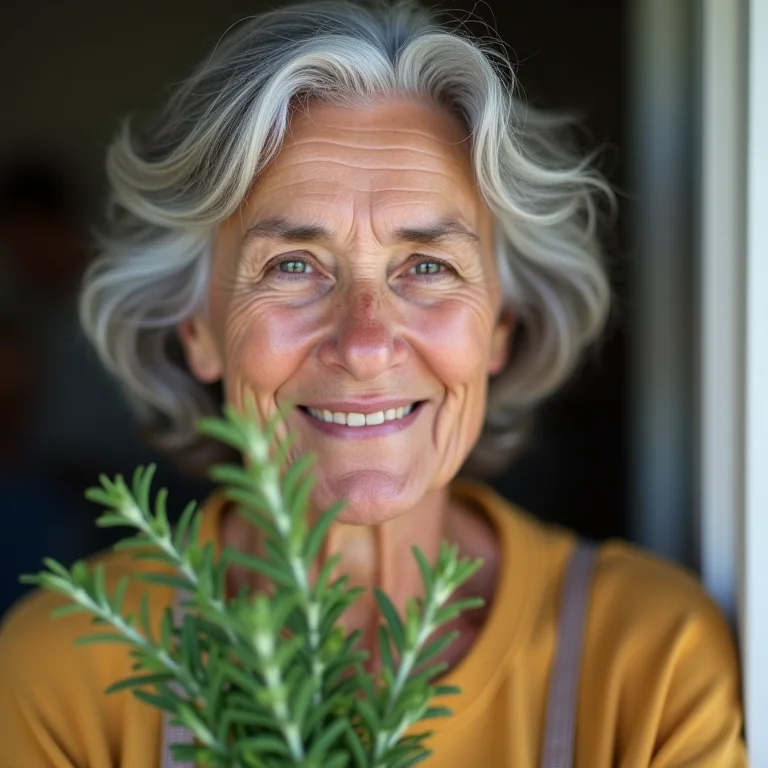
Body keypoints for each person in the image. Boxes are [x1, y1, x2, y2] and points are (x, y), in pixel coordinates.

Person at [0, 1, 747, 766]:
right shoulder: (63, 672)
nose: (364, 345)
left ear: (500, 326)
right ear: (197, 327)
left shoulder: (644, 661)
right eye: (292, 266)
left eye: (428, 267)